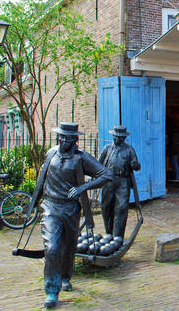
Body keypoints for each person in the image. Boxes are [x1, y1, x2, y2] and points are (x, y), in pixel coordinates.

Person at [29, 122, 113, 308]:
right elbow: (42, 177)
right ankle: (51, 290)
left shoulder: (81, 158)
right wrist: (34, 202)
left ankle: (66, 276)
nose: (64, 140)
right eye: (62, 136)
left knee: (68, 246)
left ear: (75, 139)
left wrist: (83, 187)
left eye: (69, 137)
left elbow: (107, 174)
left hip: (70, 209)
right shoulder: (51, 153)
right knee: (52, 248)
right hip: (51, 207)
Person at [99, 125, 141, 238]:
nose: (118, 139)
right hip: (108, 181)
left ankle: (118, 236)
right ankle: (108, 233)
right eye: (116, 137)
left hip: (123, 181)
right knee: (106, 206)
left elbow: (136, 165)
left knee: (121, 208)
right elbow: (97, 164)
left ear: (124, 138)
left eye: (120, 137)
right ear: (113, 136)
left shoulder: (129, 149)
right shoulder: (107, 149)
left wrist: (135, 165)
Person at [166, 111, 179, 183]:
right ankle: (176, 176)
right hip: (174, 149)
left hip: (172, 149)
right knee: (174, 162)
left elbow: (172, 142)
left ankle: (176, 177)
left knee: (173, 163)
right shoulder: (176, 131)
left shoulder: (172, 132)